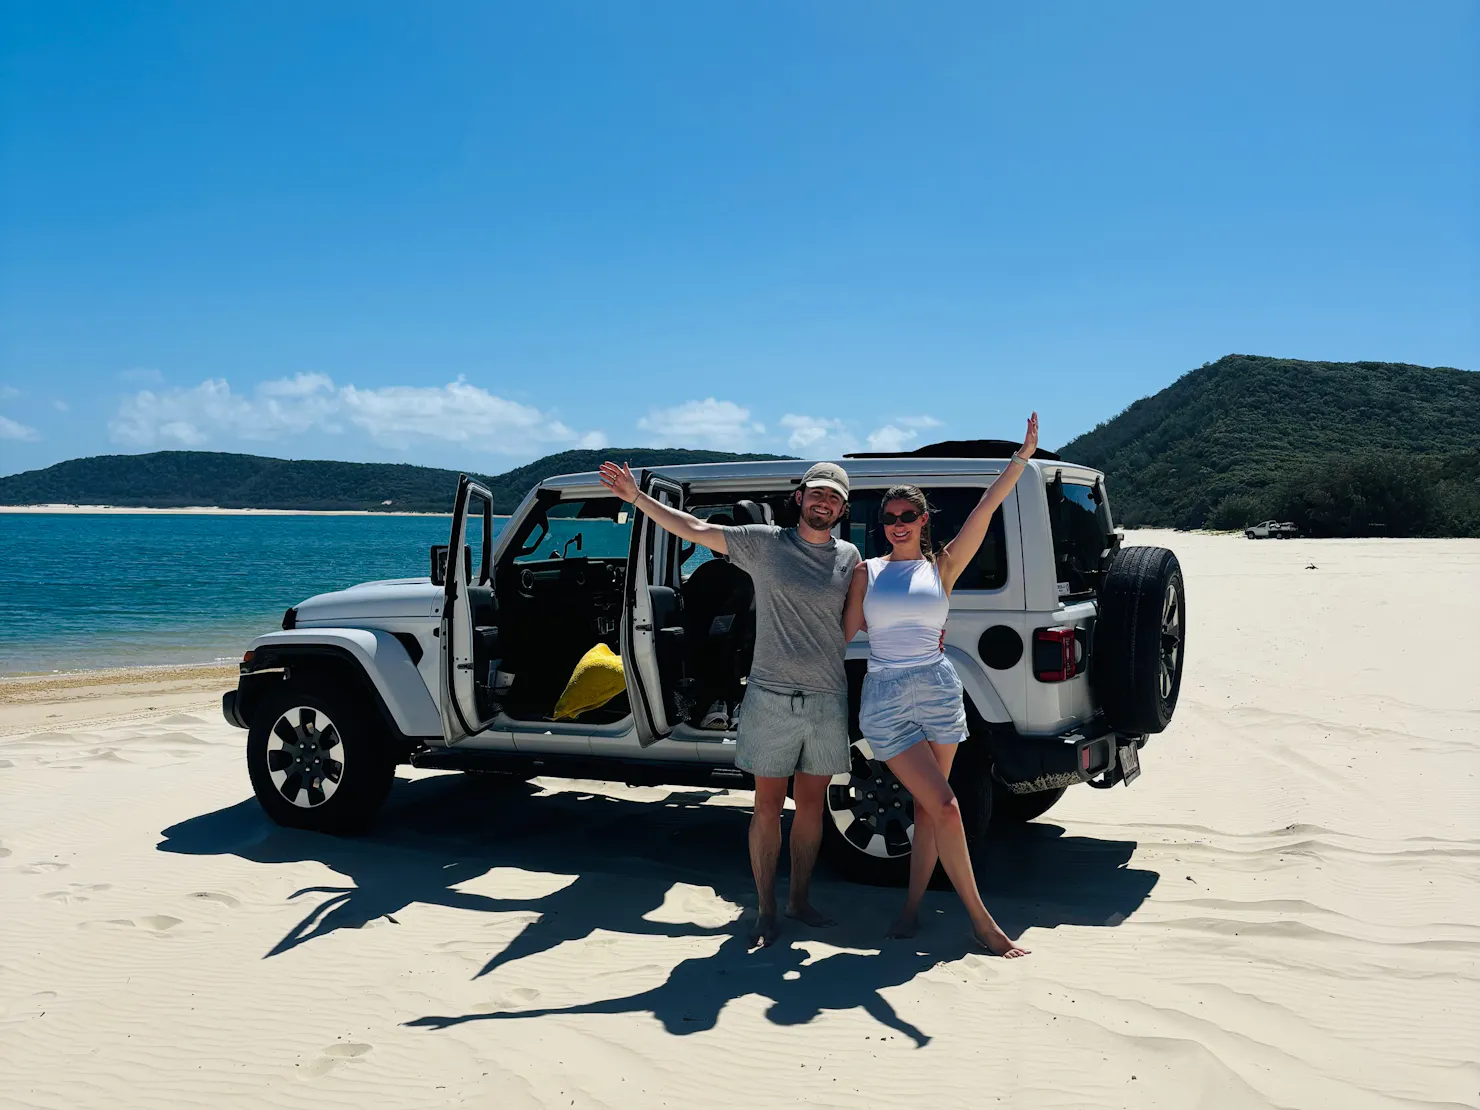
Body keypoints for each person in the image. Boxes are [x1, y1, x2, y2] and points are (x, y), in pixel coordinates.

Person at [599, 459, 860, 948]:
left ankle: (799, 901)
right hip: (770, 695)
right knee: (765, 808)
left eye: (834, 498)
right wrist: (637, 499)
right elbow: (695, 528)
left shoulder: (849, 556)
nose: (823, 503)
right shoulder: (764, 544)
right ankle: (765, 910)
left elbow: (856, 614)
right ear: (800, 498)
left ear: (842, 508)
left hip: (826, 697)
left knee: (809, 808)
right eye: (816, 494)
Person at [842, 414, 1040, 958]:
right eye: (889, 517)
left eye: (908, 515)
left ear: (924, 519)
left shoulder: (942, 566)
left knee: (931, 808)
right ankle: (981, 921)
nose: (898, 523)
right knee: (948, 806)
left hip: (937, 688)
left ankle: (910, 909)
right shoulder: (866, 571)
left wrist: (1021, 458)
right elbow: (840, 631)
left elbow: (985, 509)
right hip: (885, 697)